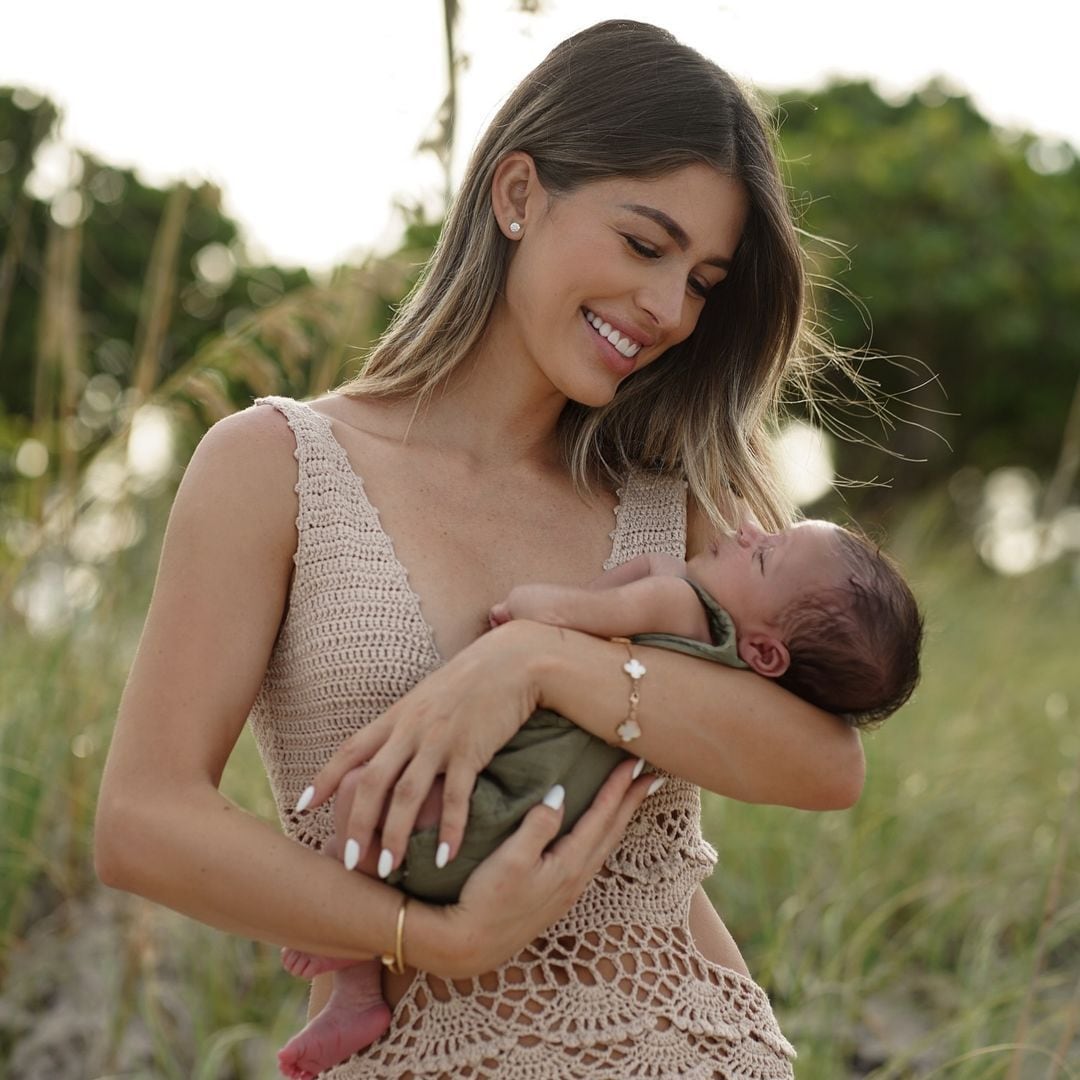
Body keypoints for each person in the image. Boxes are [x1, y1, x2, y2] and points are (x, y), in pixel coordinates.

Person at [95, 19, 874, 1080]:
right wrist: (434, 940)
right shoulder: (276, 466)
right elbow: (142, 819)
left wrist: (539, 663)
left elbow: (826, 764)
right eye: (646, 245)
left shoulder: (677, 498)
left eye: (701, 280)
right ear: (516, 195)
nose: (667, 309)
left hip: (700, 1047)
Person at [276, 517, 923, 1077]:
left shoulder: (680, 604)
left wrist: (524, 631)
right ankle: (356, 978)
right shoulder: (735, 664)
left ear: (765, 651)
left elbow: (560, 612)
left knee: (363, 791)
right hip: (548, 823)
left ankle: (354, 973)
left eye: (764, 552)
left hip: (499, 802)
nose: (751, 528)